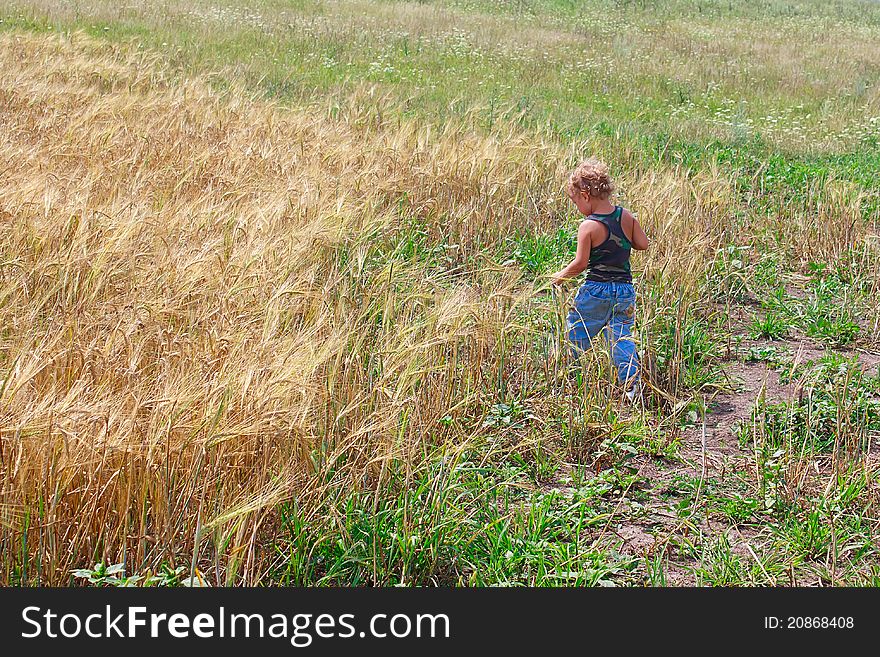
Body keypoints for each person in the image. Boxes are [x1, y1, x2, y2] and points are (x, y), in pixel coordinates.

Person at [550, 158, 649, 402]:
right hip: (625, 290)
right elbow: (643, 244)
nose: (577, 208)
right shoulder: (625, 216)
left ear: (585, 195)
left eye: (575, 202)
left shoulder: (589, 226)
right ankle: (632, 385)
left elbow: (581, 264)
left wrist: (557, 278)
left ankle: (564, 379)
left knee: (577, 334)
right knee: (622, 338)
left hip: (596, 290)